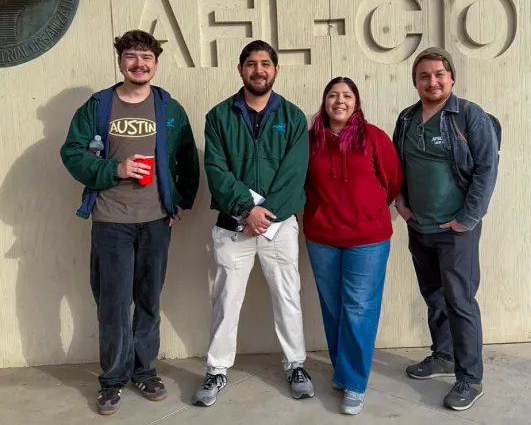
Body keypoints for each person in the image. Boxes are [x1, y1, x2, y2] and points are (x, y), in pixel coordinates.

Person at [60, 30, 200, 416]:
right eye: (131, 56)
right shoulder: (98, 106)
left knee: (149, 299)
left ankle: (145, 370)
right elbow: (72, 152)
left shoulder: (168, 107)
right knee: (114, 302)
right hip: (111, 221)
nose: (139, 63)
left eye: (146, 57)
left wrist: (181, 202)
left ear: (156, 63)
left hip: (156, 220)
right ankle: (112, 379)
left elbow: (187, 157)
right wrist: (112, 168)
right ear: (120, 61)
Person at [194, 40, 313, 407]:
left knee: (288, 297)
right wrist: (247, 211)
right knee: (227, 299)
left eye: (265, 63)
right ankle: (216, 370)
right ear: (240, 69)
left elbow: (294, 175)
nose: (258, 69)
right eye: (250, 63)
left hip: (279, 226)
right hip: (234, 226)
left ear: (276, 70)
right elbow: (216, 170)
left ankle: (296, 365)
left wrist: (264, 216)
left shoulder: (292, 117)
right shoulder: (218, 116)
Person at [392, 47, 499, 411]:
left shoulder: (469, 115)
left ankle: (470, 378)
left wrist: (467, 219)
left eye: (439, 74)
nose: (432, 81)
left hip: (457, 230)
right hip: (419, 227)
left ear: (451, 78)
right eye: (424, 76)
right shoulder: (406, 119)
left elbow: (486, 170)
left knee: (460, 302)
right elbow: (397, 166)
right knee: (434, 295)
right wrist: (402, 205)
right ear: (416, 82)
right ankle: (443, 355)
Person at [303, 77, 402, 415]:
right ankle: (343, 372)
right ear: (324, 101)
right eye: (333, 95)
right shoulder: (311, 140)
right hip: (323, 238)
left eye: (346, 95)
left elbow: (392, 181)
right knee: (333, 307)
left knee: (359, 307)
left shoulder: (373, 137)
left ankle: (355, 383)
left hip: (367, 239)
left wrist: (367, 210)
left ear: (356, 102)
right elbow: (301, 183)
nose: (339, 101)